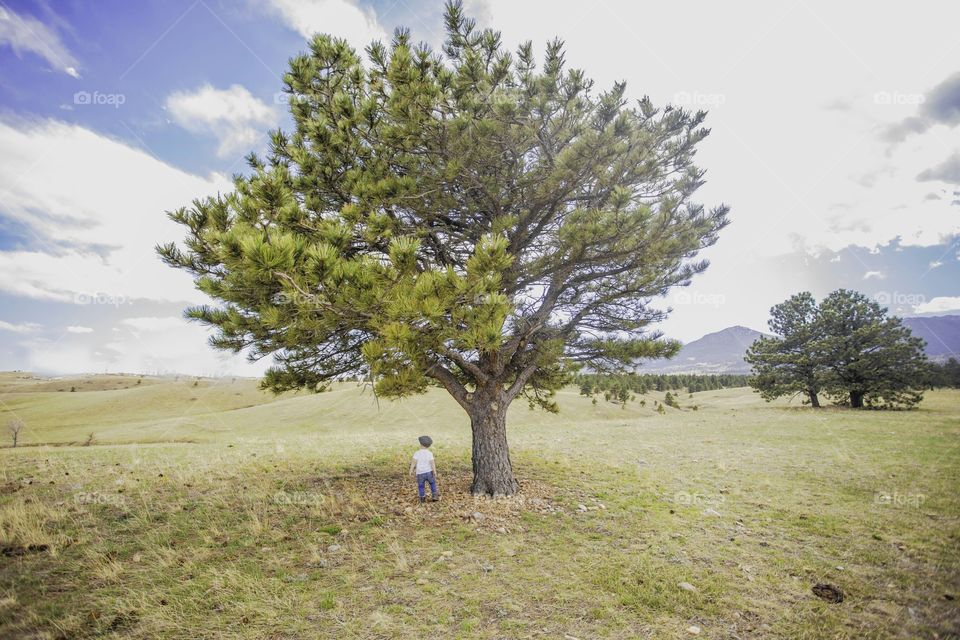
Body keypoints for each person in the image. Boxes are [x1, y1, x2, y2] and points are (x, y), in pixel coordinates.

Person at [409, 435, 439, 502]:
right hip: (429, 472)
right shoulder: (429, 453)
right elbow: (432, 463)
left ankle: (422, 498)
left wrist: (410, 470)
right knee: (432, 483)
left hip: (420, 473)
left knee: (421, 486)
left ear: (420, 444)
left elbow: (413, 462)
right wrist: (434, 471)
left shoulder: (417, 453)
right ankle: (434, 495)